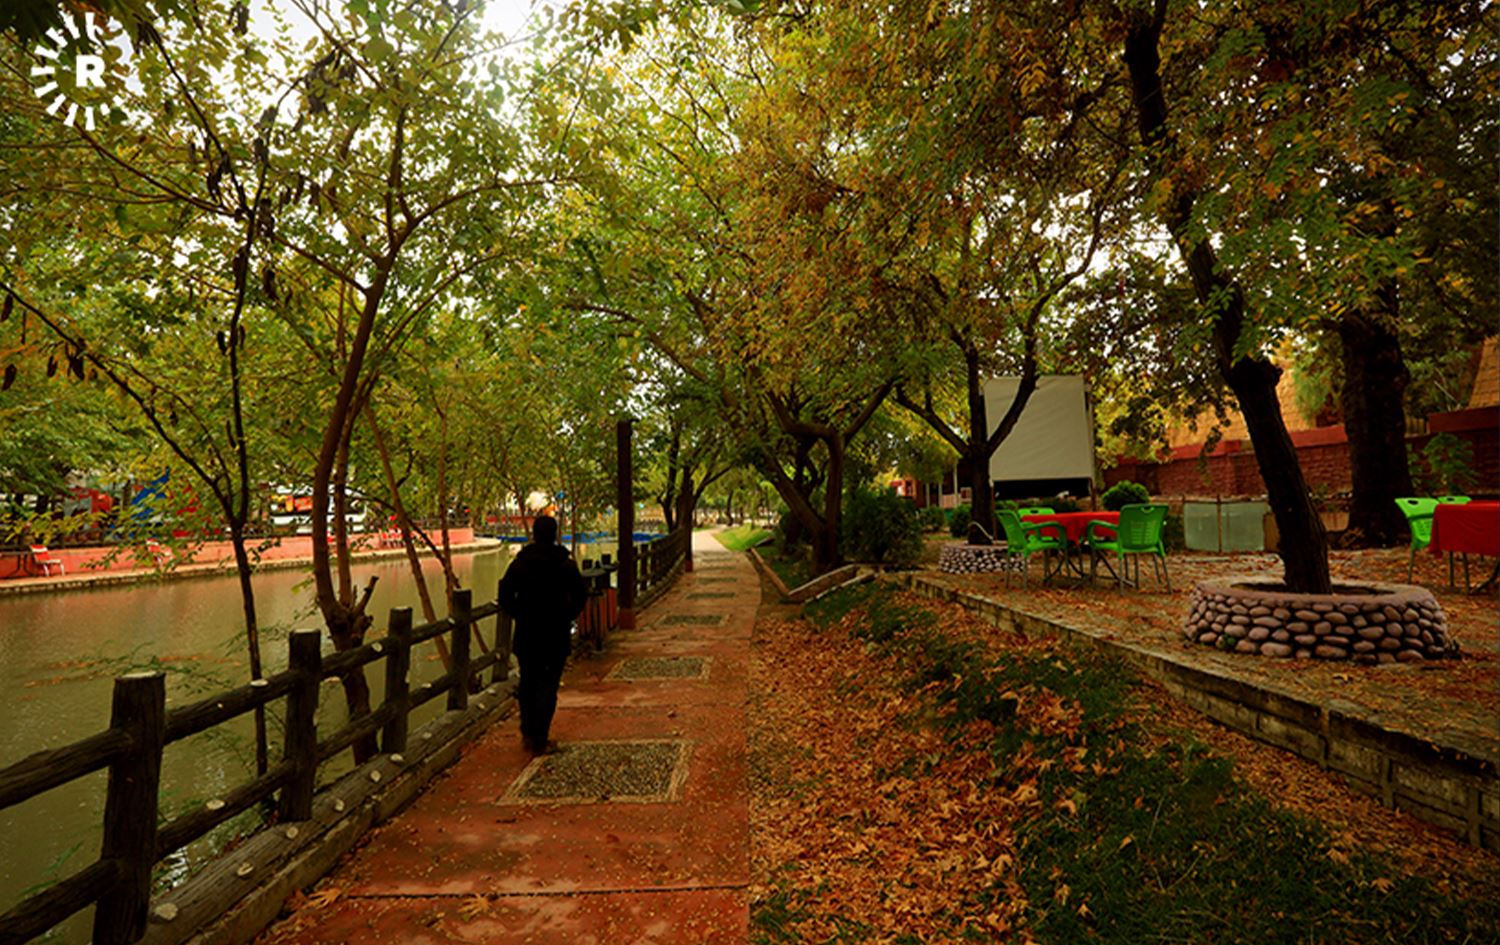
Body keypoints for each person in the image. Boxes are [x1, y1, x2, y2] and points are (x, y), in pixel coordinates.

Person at [498, 515, 587, 754]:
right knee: (549, 685)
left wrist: (519, 613)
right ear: (555, 534)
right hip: (555, 633)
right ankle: (540, 737)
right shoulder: (565, 565)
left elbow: (504, 595)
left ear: (534, 534)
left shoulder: (520, 564)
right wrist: (567, 614)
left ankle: (528, 732)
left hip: (527, 633)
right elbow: (581, 595)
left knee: (528, 683)